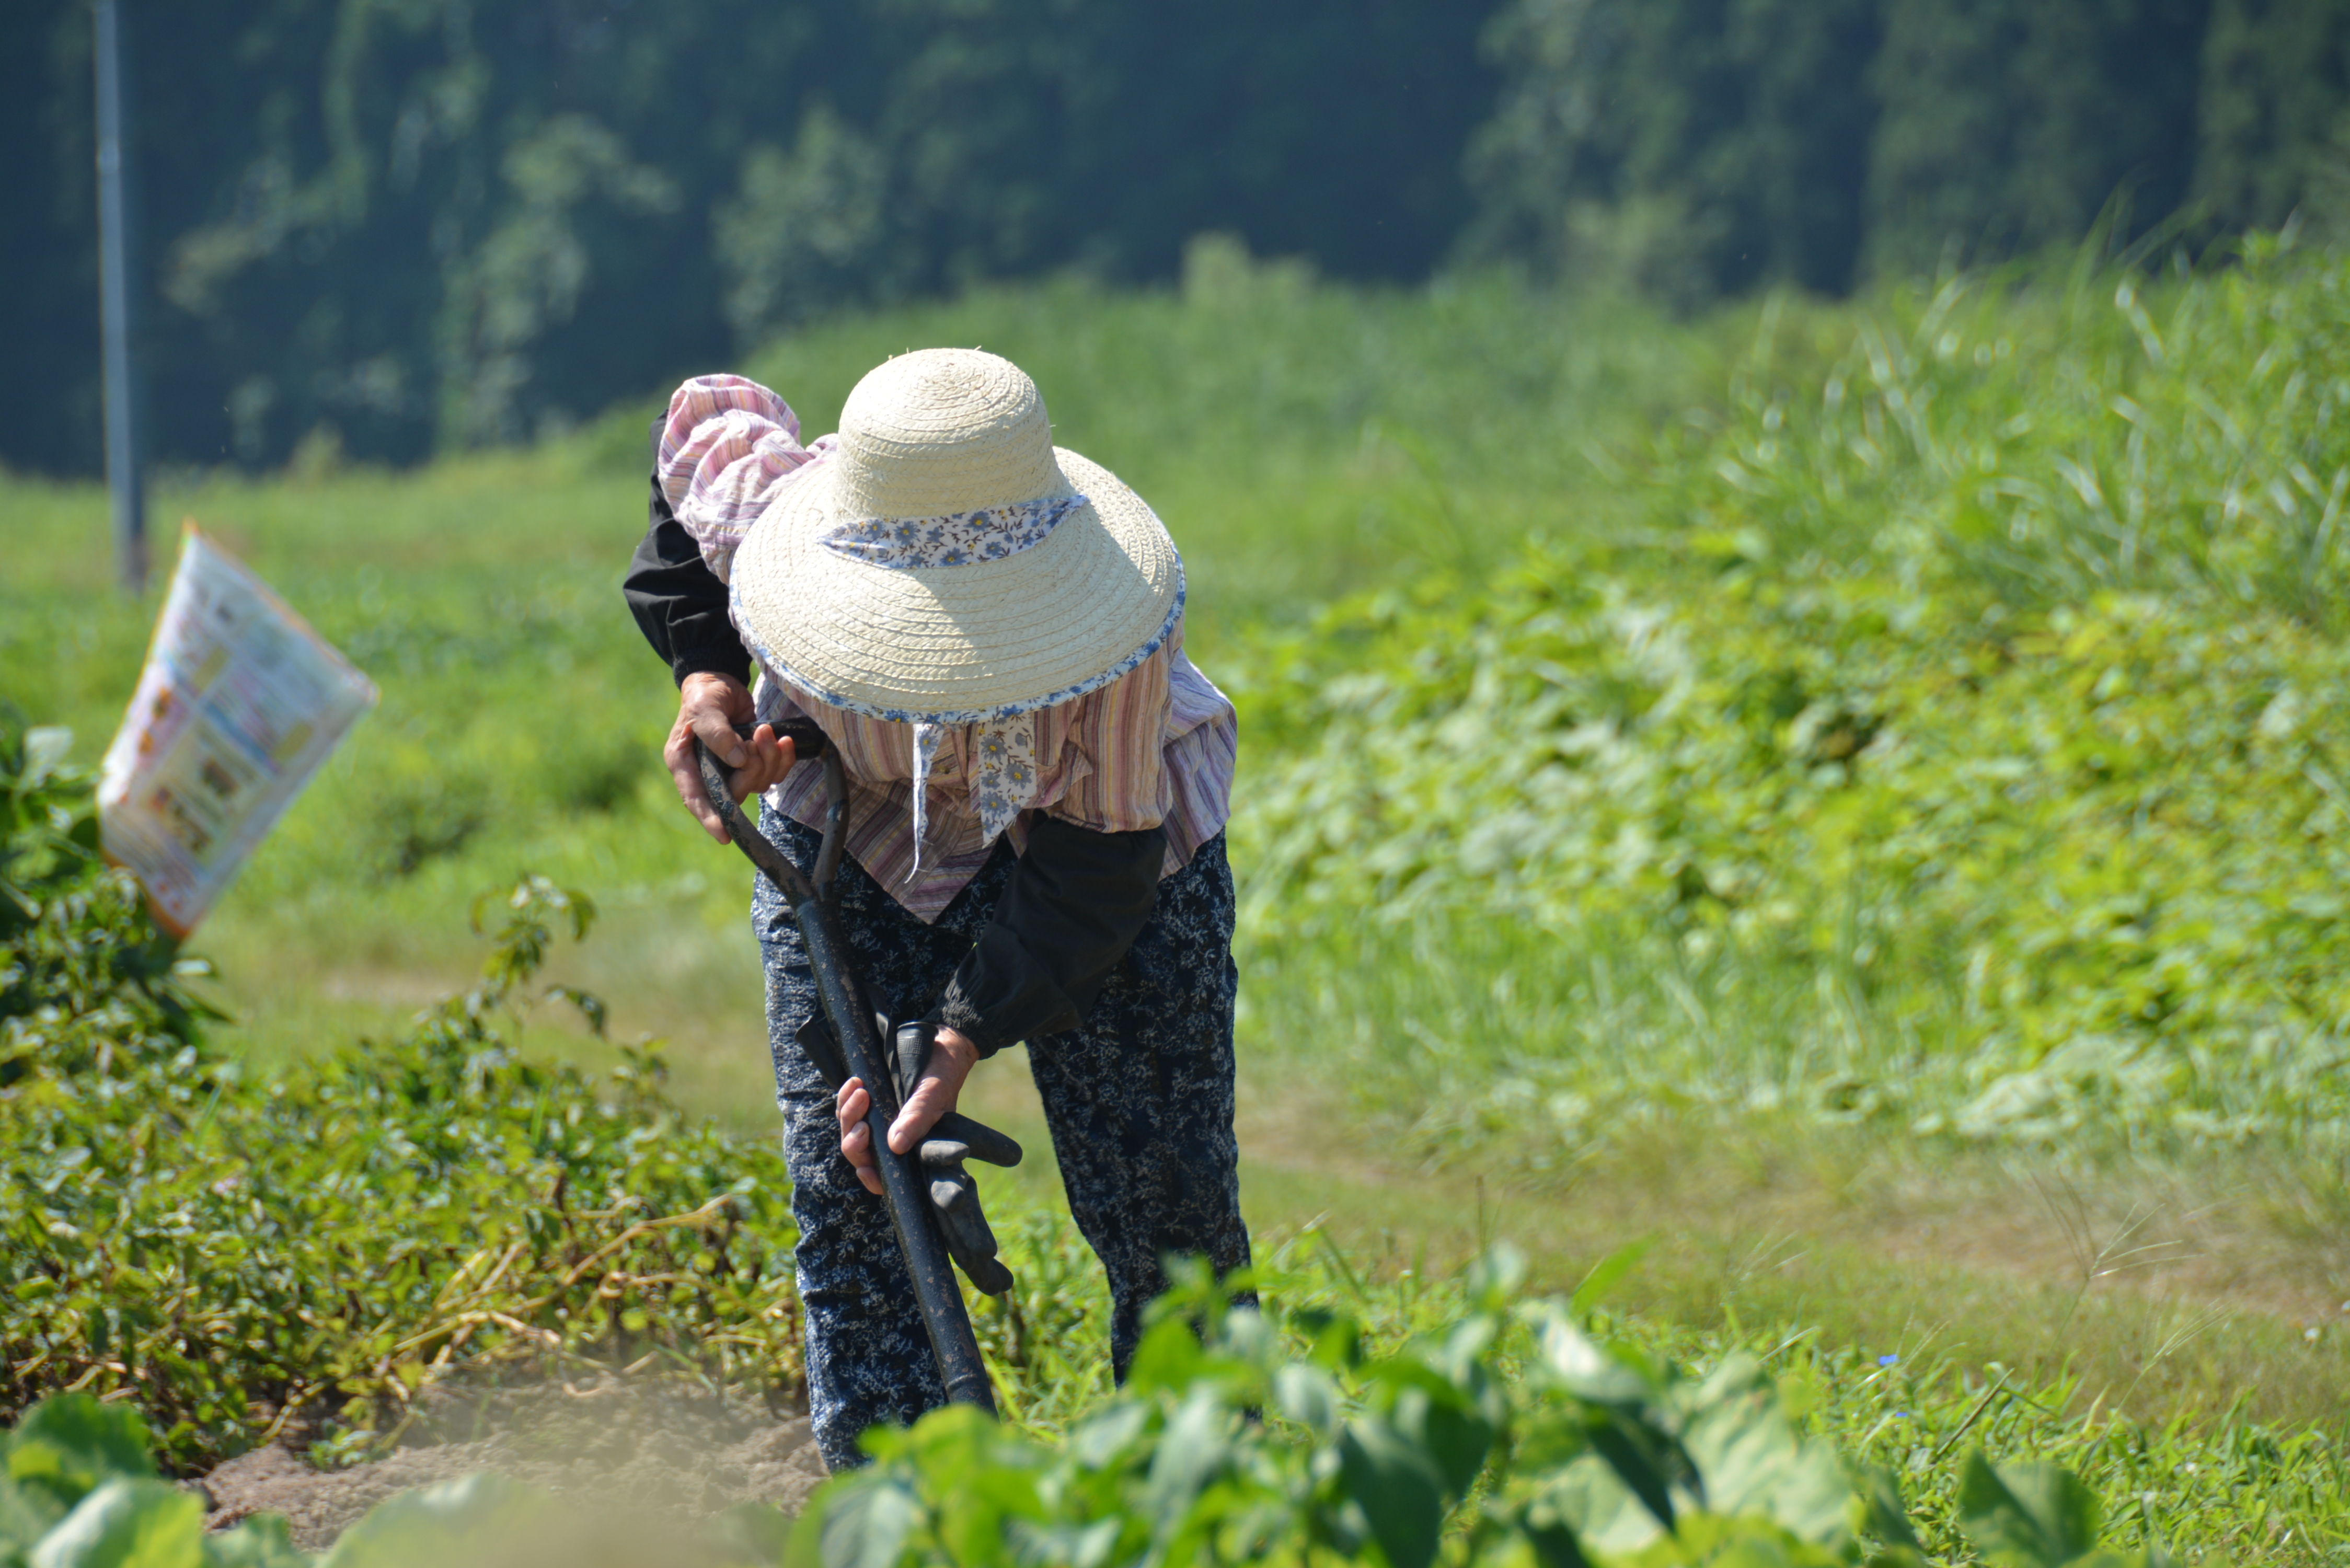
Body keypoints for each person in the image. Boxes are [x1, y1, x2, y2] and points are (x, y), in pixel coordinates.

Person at [620, 349, 1252, 1469]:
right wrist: (707, 673)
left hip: (1105, 859)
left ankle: (1206, 1505)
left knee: (1169, 1207)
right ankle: (914, 1513)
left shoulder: (1113, 639)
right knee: (855, 1186)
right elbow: (698, 444)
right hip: (857, 840)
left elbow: (1097, 866)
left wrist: (957, 1040)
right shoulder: (778, 512)